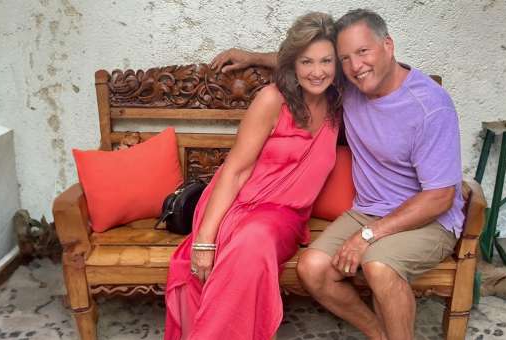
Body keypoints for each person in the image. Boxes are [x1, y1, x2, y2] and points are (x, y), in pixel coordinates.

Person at [210, 8, 464, 340]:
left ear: (388, 45)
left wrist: (368, 236)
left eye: (363, 52)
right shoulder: (352, 80)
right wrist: (250, 56)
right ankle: (379, 334)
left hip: (428, 219)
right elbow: (307, 59)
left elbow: (440, 197)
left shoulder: (430, 106)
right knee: (312, 268)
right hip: (369, 210)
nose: (355, 66)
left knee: (379, 265)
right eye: (344, 58)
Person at [164, 12, 344, 340]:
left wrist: (253, 57)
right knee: (241, 247)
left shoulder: (338, 99)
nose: (317, 72)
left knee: (254, 240)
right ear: (293, 64)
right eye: (306, 62)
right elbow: (235, 170)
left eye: (326, 61)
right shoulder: (273, 100)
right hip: (235, 202)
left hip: (282, 216)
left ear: (338, 63)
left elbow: (374, 66)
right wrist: (204, 240)